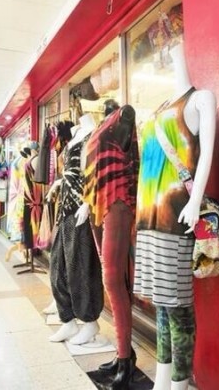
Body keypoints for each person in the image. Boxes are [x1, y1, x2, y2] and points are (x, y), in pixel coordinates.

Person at [132, 39, 216, 390]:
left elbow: (207, 153)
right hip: (148, 219)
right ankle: (162, 380)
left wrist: (195, 201)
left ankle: (179, 383)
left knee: (178, 305)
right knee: (163, 305)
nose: (167, 55)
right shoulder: (161, 107)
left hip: (175, 217)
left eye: (171, 50)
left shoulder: (201, 99)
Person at [76, 103, 140, 390]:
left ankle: (125, 361)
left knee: (113, 280)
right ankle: (123, 353)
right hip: (96, 203)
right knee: (112, 281)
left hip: (118, 201)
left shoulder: (123, 115)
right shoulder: (100, 126)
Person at [47, 114, 104, 345]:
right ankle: (68, 320)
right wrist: (58, 183)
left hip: (81, 208)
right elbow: (71, 170)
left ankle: (90, 322)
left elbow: (98, 172)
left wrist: (88, 204)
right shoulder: (75, 135)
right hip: (65, 208)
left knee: (80, 267)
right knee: (57, 267)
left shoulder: (95, 134)